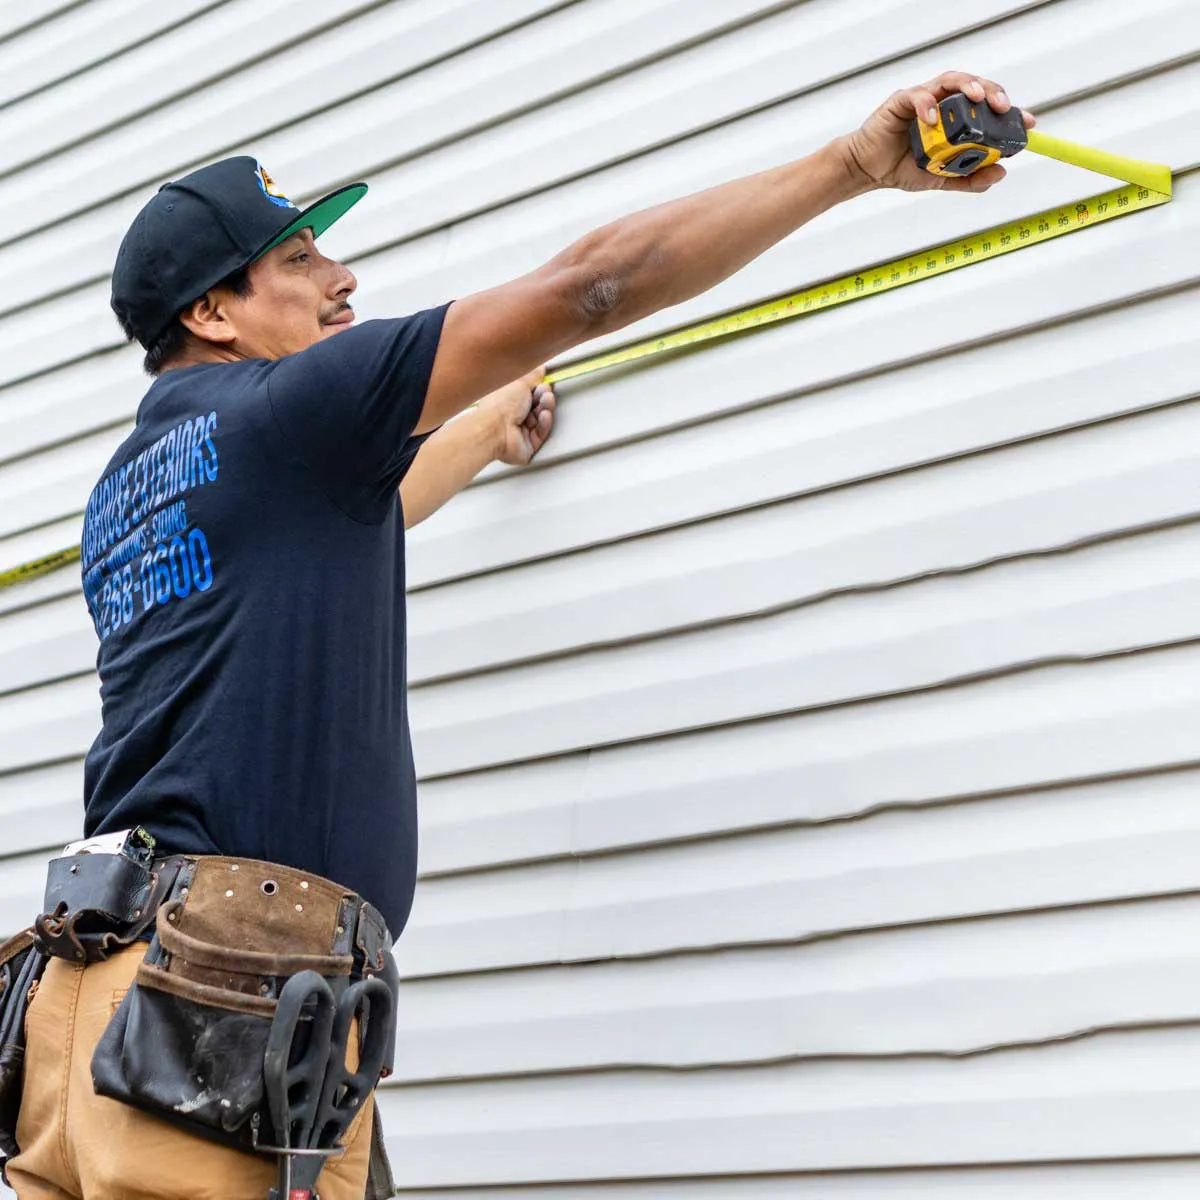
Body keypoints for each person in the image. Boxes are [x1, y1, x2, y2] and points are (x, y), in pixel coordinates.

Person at [4, 72, 1031, 1199]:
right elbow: (592, 286)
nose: (344, 281)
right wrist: (851, 165)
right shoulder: (293, 410)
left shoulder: (136, 487)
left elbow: (358, 522)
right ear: (212, 313)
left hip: (88, 1023)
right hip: (215, 1012)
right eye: (299, 262)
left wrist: (484, 428)